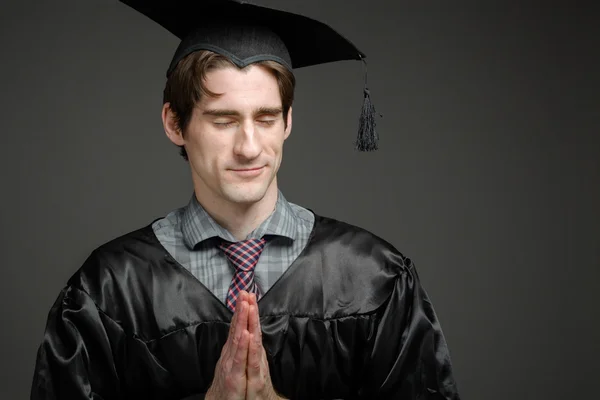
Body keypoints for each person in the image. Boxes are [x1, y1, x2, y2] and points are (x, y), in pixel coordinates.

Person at [30, 1, 461, 399]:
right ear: (175, 124)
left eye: (266, 118)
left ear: (288, 122)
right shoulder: (109, 291)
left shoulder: (374, 280)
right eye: (224, 121)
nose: (250, 147)